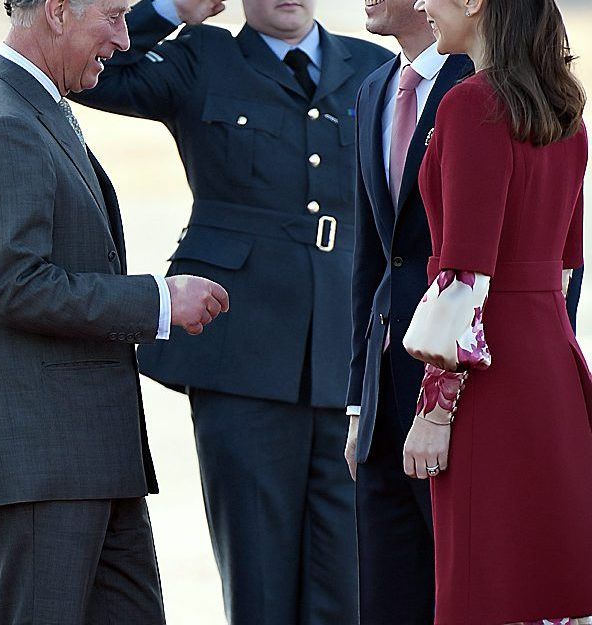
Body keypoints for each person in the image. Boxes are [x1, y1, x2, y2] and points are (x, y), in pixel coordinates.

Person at [69, 0, 390, 622]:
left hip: (348, 348)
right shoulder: (201, 57)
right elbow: (93, 72)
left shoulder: (375, 67)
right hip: (239, 346)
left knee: (348, 579)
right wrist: (166, 8)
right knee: (258, 576)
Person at [0, 0, 229, 622]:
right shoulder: (3, 122)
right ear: (60, 11)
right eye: (116, 16)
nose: (124, 40)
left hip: (88, 458)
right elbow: (15, 285)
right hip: (42, 460)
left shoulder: (32, 107)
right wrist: (158, 300)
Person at [401, 0, 592, 622]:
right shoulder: (564, 114)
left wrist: (435, 409)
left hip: (490, 379)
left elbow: (464, 276)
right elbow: (566, 269)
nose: (423, 4)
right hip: (554, 368)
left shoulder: (471, 104)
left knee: (484, 581)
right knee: (550, 578)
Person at [345, 1, 471, 622]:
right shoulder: (373, 89)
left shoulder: (483, 86)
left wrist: (451, 399)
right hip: (382, 403)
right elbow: (371, 260)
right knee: (388, 598)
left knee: (461, 594)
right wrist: (355, 404)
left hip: (460, 394)